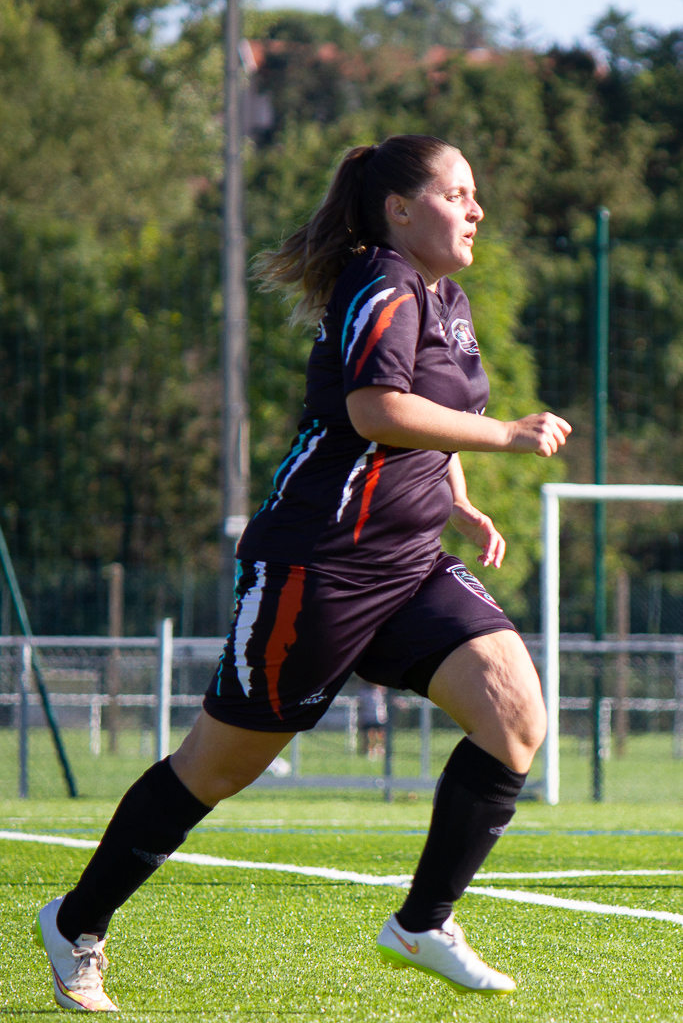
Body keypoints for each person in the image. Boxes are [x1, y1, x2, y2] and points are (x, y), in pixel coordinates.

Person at [34, 134, 571, 1011]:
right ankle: (75, 922)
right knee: (214, 770)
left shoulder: (445, 296)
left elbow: (431, 413)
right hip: (315, 568)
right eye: (457, 194)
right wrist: (507, 435)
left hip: (408, 567)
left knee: (514, 715)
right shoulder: (381, 282)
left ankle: (423, 924)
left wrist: (458, 497)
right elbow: (376, 408)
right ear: (400, 209)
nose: (477, 210)